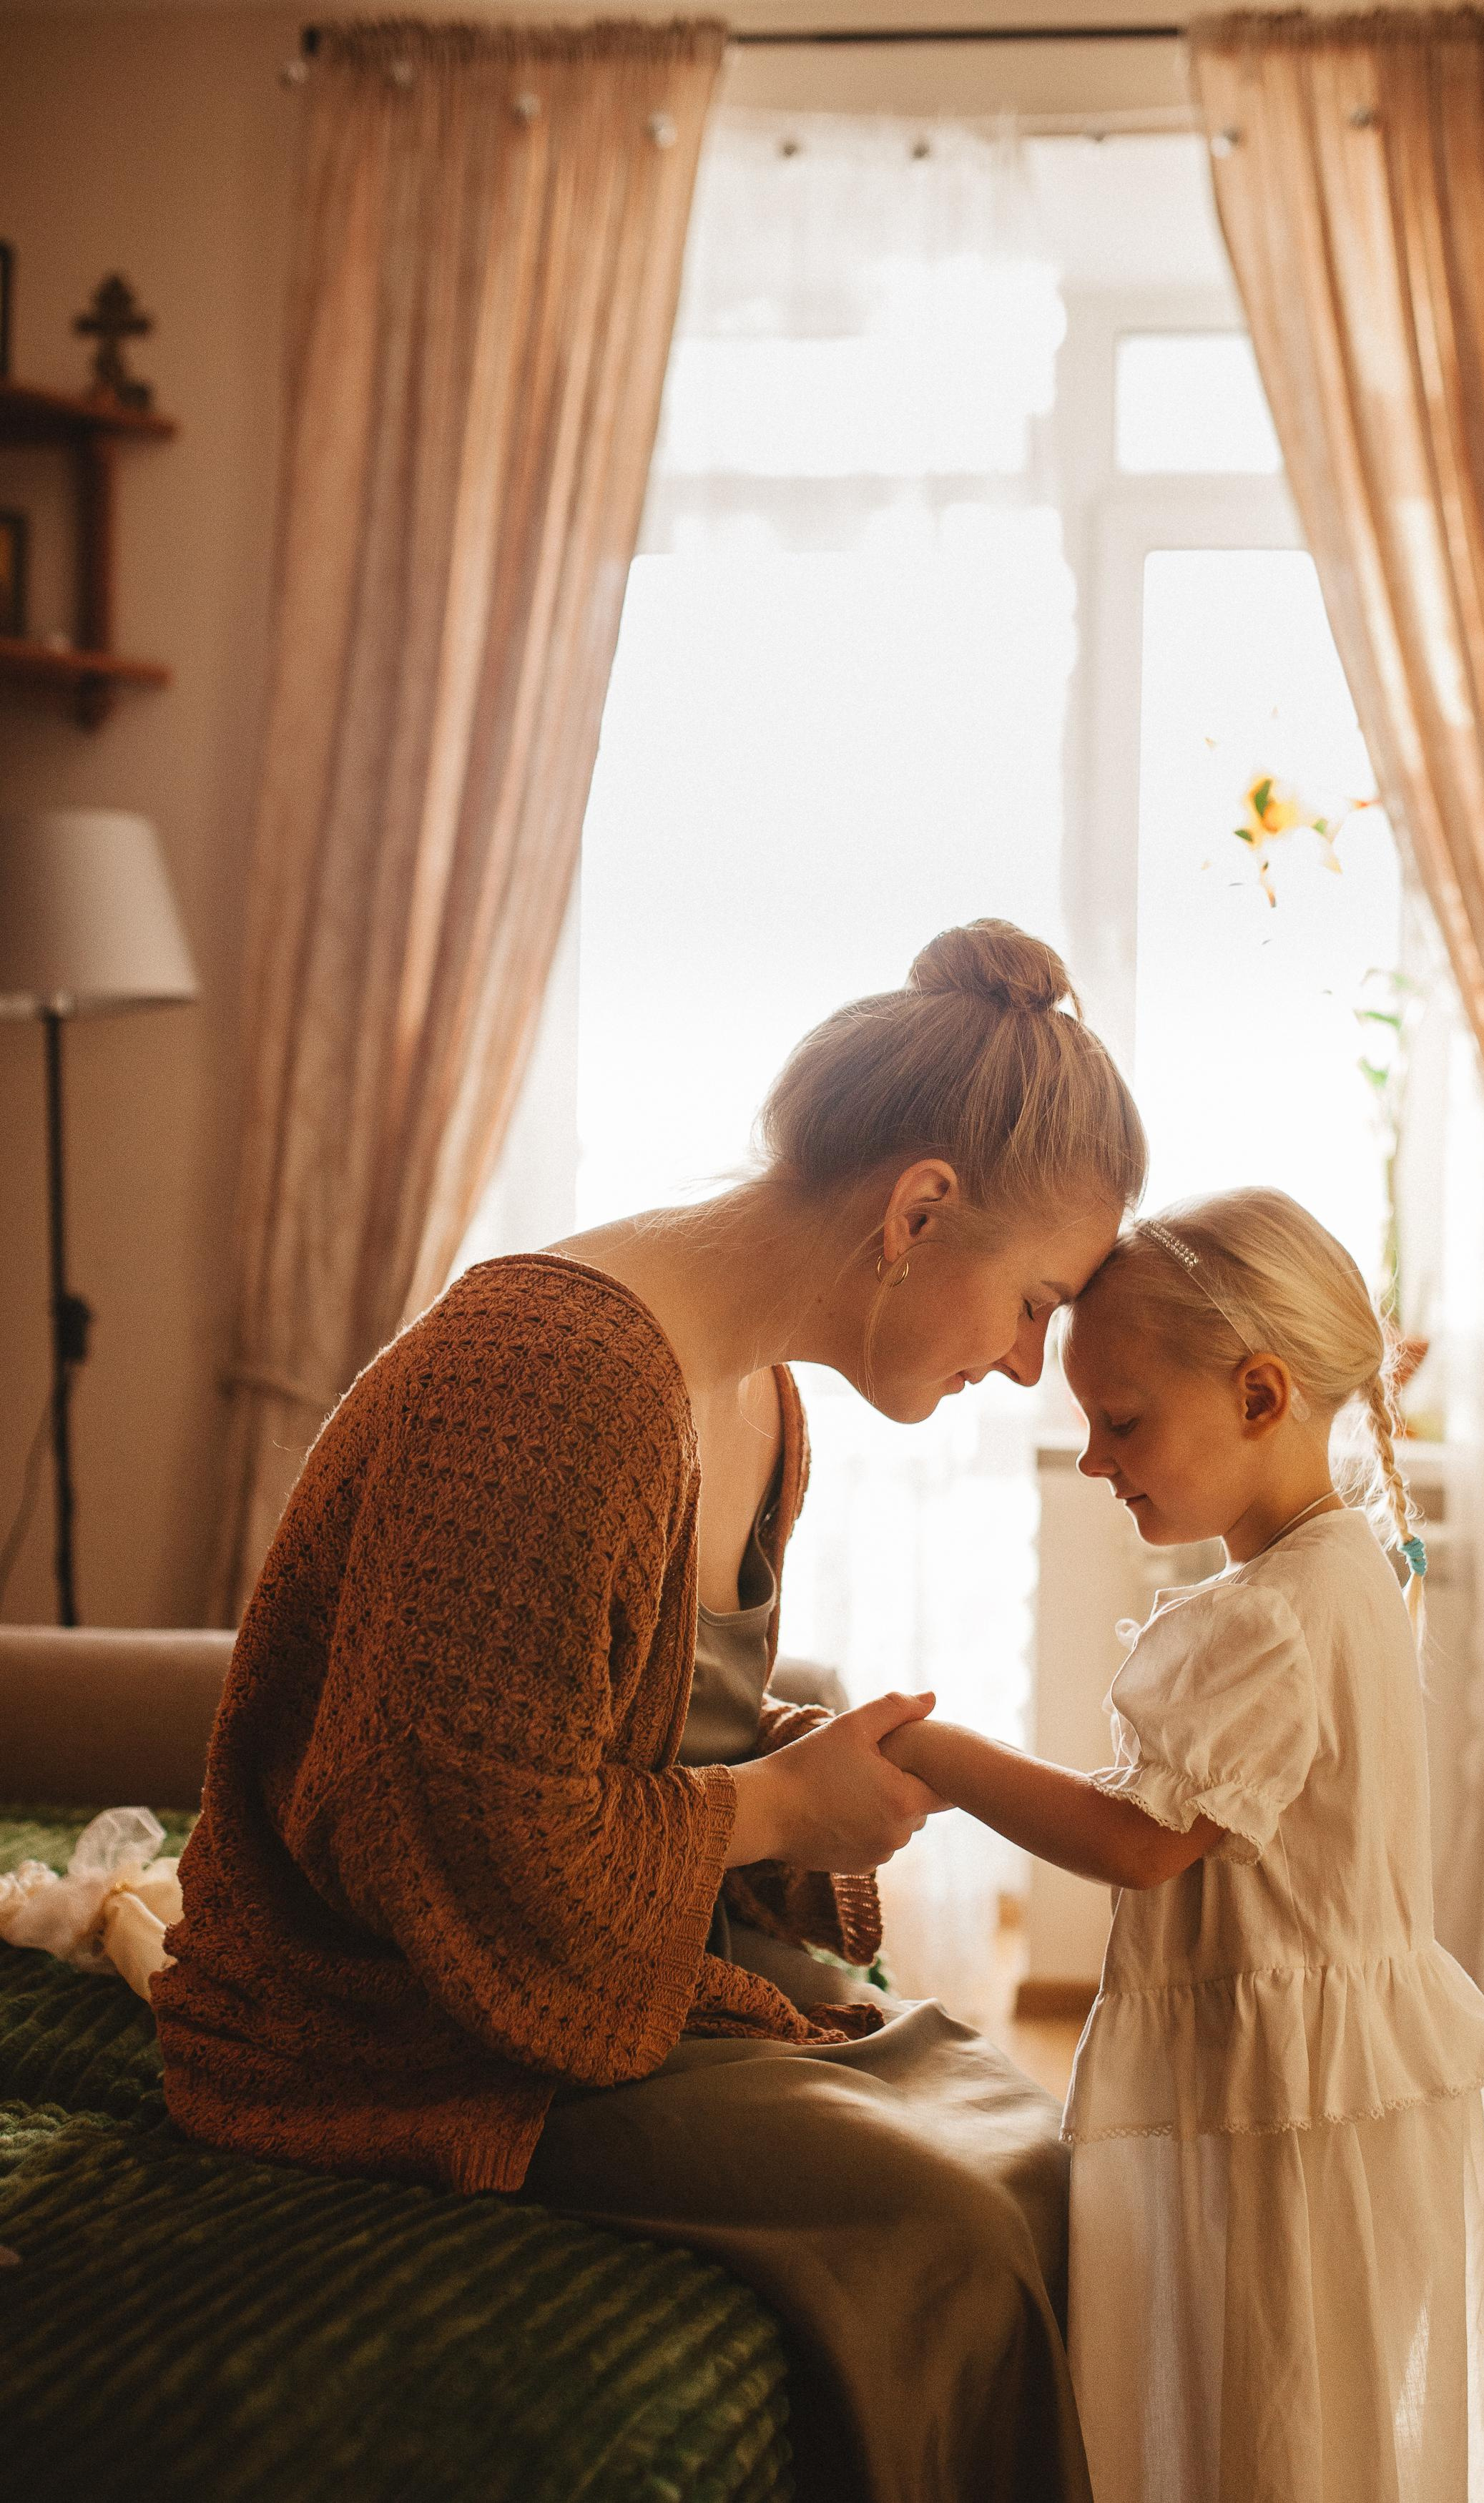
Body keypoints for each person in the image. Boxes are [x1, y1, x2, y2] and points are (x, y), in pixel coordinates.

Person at [153, 920, 1146, 2503]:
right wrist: (779, 1810)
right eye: (1034, 1305)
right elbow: (475, 1850)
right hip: (408, 2016)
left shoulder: (761, 1399)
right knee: (957, 2227)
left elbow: (649, 1739)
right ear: (920, 1208)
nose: (1029, 1368)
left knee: (1035, 2146)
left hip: (613, 1967)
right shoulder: (547, 1379)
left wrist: (808, 1783)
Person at [882, 1187, 1484, 2503]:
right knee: (1312, 2413)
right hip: (1335, 2086)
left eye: (1119, 1421)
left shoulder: (1265, 1617)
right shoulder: (1350, 1568)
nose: (1093, 1460)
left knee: (1262, 2409)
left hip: (1281, 2103)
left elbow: (1139, 1843)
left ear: (1259, 1396)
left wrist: (936, 1756)